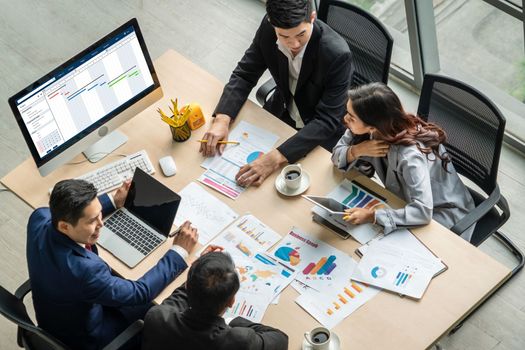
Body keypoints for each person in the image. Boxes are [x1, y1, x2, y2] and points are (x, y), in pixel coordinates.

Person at [26, 179, 198, 350]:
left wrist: (112, 202)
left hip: (55, 315)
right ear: (65, 226)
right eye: (92, 221)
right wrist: (178, 252)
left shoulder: (39, 217)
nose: (102, 223)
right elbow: (140, 292)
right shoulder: (85, 271)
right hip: (87, 338)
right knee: (161, 307)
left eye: (99, 214)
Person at [200, 0, 353, 187]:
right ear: (273, 24)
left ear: (312, 18)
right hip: (281, 114)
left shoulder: (337, 54)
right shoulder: (268, 27)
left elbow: (327, 120)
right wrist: (222, 119)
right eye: (284, 36)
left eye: (300, 34)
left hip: (318, 134)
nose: (293, 44)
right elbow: (245, 74)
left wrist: (275, 158)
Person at [331, 83, 476, 241]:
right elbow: (336, 156)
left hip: (442, 214)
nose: (345, 119)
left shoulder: (410, 156)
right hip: (404, 202)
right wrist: (357, 150)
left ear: (373, 126)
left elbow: (423, 211)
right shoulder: (368, 128)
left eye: (351, 117)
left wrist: (372, 216)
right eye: (347, 112)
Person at [141, 250, 289, 350]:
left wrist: (200, 271)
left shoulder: (158, 316)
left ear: (188, 285)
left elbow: (179, 299)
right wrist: (233, 321)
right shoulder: (239, 341)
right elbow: (281, 339)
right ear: (231, 302)